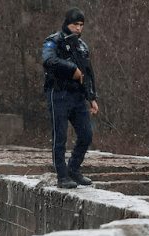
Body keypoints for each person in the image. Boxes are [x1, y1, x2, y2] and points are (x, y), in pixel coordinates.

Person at [42, 8, 99, 189]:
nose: (78, 28)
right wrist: (71, 69)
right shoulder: (54, 41)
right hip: (58, 93)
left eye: (81, 25)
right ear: (67, 24)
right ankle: (62, 176)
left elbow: (88, 73)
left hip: (77, 96)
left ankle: (73, 168)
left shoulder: (82, 47)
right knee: (60, 137)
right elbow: (48, 61)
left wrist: (92, 98)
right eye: (75, 24)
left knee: (86, 134)